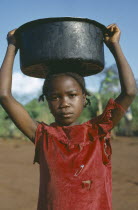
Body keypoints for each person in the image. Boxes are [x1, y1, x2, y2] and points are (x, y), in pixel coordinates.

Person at [0, 24, 137, 210]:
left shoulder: (99, 130)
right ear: (46, 101)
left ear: (84, 98)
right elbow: (4, 96)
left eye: (72, 95)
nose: (64, 103)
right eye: (55, 97)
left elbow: (129, 92)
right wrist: (12, 46)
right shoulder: (43, 136)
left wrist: (114, 46)